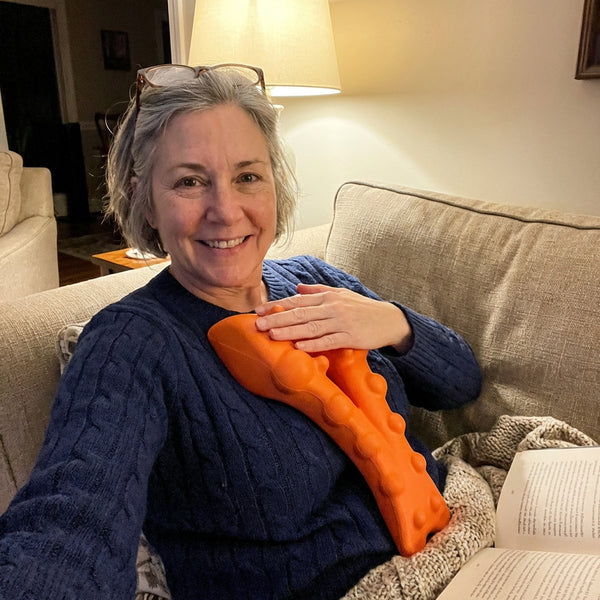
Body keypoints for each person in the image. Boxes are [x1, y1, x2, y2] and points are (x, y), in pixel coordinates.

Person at [0, 64, 481, 599]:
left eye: (247, 176)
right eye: (189, 181)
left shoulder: (314, 279)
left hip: (462, 541)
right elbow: (70, 522)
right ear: (145, 200)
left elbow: (462, 382)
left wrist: (392, 321)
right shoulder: (129, 344)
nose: (226, 212)